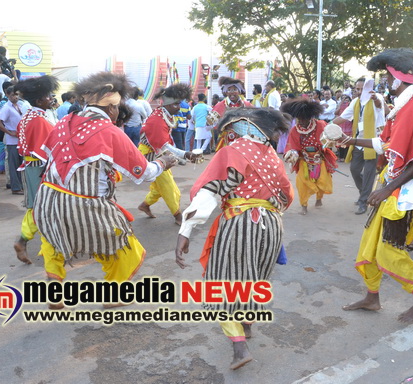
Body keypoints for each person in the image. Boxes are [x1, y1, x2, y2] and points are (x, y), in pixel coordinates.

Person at [33, 72, 176, 296]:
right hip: (86, 204)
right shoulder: (109, 131)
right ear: (111, 108)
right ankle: (114, 294)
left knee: (54, 240)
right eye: (118, 108)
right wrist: (163, 162)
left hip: (47, 199)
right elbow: (145, 173)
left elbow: (49, 157)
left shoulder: (63, 122)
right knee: (125, 248)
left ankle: (54, 285)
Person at [175, 108, 293, 370]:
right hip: (273, 224)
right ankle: (247, 325)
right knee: (255, 277)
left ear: (248, 127)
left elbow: (209, 191)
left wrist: (186, 230)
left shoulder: (234, 151)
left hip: (241, 221)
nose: (230, 131)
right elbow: (286, 194)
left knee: (223, 283)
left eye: (234, 126)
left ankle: (240, 347)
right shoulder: (272, 155)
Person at [339, 48, 413, 323]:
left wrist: (387, 188)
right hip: (394, 181)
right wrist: (351, 141)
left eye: (387, 75)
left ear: (398, 77)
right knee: (370, 244)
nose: (385, 80)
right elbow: (385, 144)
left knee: (389, 247)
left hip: (410, 185)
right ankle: (372, 297)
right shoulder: (403, 105)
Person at [137, 83, 200, 224]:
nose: (179, 107)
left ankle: (144, 205)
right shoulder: (157, 120)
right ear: (169, 104)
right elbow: (163, 146)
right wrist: (186, 154)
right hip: (151, 157)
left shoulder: (163, 114)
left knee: (159, 187)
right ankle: (178, 216)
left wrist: (182, 155)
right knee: (168, 186)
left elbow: (165, 144)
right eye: (177, 104)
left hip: (159, 154)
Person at [13, 76, 59, 264]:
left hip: (32, 166)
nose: (51, 99)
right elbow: (49, 149)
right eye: (48, 96)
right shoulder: (39, 120)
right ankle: (28, 241)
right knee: (45, 207)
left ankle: (44, 244)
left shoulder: (28, 117)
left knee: (41, 206)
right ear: (40, 100)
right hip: (41, 168)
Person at [333, 78, 386, 215]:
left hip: (373, 142)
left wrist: (375, 99)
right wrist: (327, 126)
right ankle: (365, 194)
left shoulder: (376, 97)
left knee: (368, 174)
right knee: (354, 170)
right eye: (357, 89)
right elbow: (343, 118)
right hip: (358, 142)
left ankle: (363, 202)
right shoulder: (355, 102)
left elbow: (381, 107)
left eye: (363, 89)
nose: (359, 91)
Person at [282, 98, 338, 215]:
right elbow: (292, 146)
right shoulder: (294, 130)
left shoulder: (321, 125)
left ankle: (319, 199)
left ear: (311, 117)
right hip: (304, 161)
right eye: (299, 118)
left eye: (304, 118)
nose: (301, 121)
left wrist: (331, 142)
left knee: (323, 181)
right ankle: (304, 206)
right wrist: (292, 154)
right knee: (301, 184)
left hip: (320, 160)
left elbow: (330, 140)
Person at [0, 86, 25, 194]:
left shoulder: (19, 105)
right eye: (13, 95)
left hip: (20, 139)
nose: (15, 97)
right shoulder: (7, 107)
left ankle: (20, 186)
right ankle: (16, 188)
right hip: (12, 140)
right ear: (7, 95)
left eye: (17, 94)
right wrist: (9, 132)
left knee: (21, 164)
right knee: (14, 164)